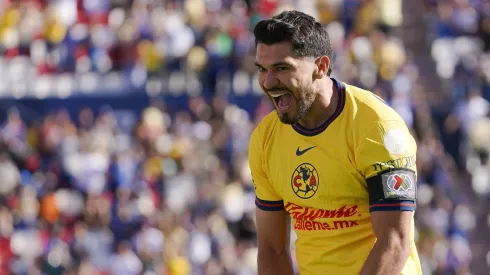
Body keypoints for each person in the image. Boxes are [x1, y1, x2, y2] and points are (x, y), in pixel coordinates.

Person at [248, 10, 422, 275]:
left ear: (321, 66)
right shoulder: (265, 139)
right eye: (262, 69)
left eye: (282, 68)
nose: (269, 82)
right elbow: (272, 249)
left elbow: (394, 242)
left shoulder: (377, 127)